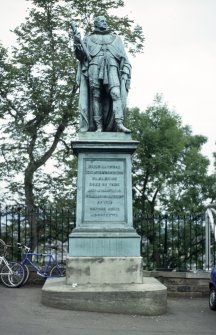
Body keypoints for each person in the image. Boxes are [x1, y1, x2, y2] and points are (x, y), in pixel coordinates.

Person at [72, 16, 131, 133]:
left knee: (115, 93)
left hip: (112, 67)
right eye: (102, 21)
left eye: (105, 21)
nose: (105, 23)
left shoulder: (115, 38)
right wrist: (77, 42)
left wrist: (125, 69)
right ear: (96, 23)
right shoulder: (88, 38)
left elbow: (123, 57)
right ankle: (99, 127)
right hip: (94, 66)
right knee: (96, 96)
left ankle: (119, 123)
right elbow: (81, 57)